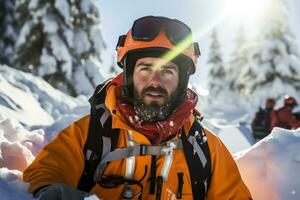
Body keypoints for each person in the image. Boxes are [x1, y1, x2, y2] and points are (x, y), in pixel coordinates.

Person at [23, 16, 252, 200]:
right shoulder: (91, 134)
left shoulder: (205, 148)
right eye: (145, 68)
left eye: (168, 71)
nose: (155, 81)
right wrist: (52, 192)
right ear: (129, 75)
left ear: (182, 81)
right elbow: (44, 172)